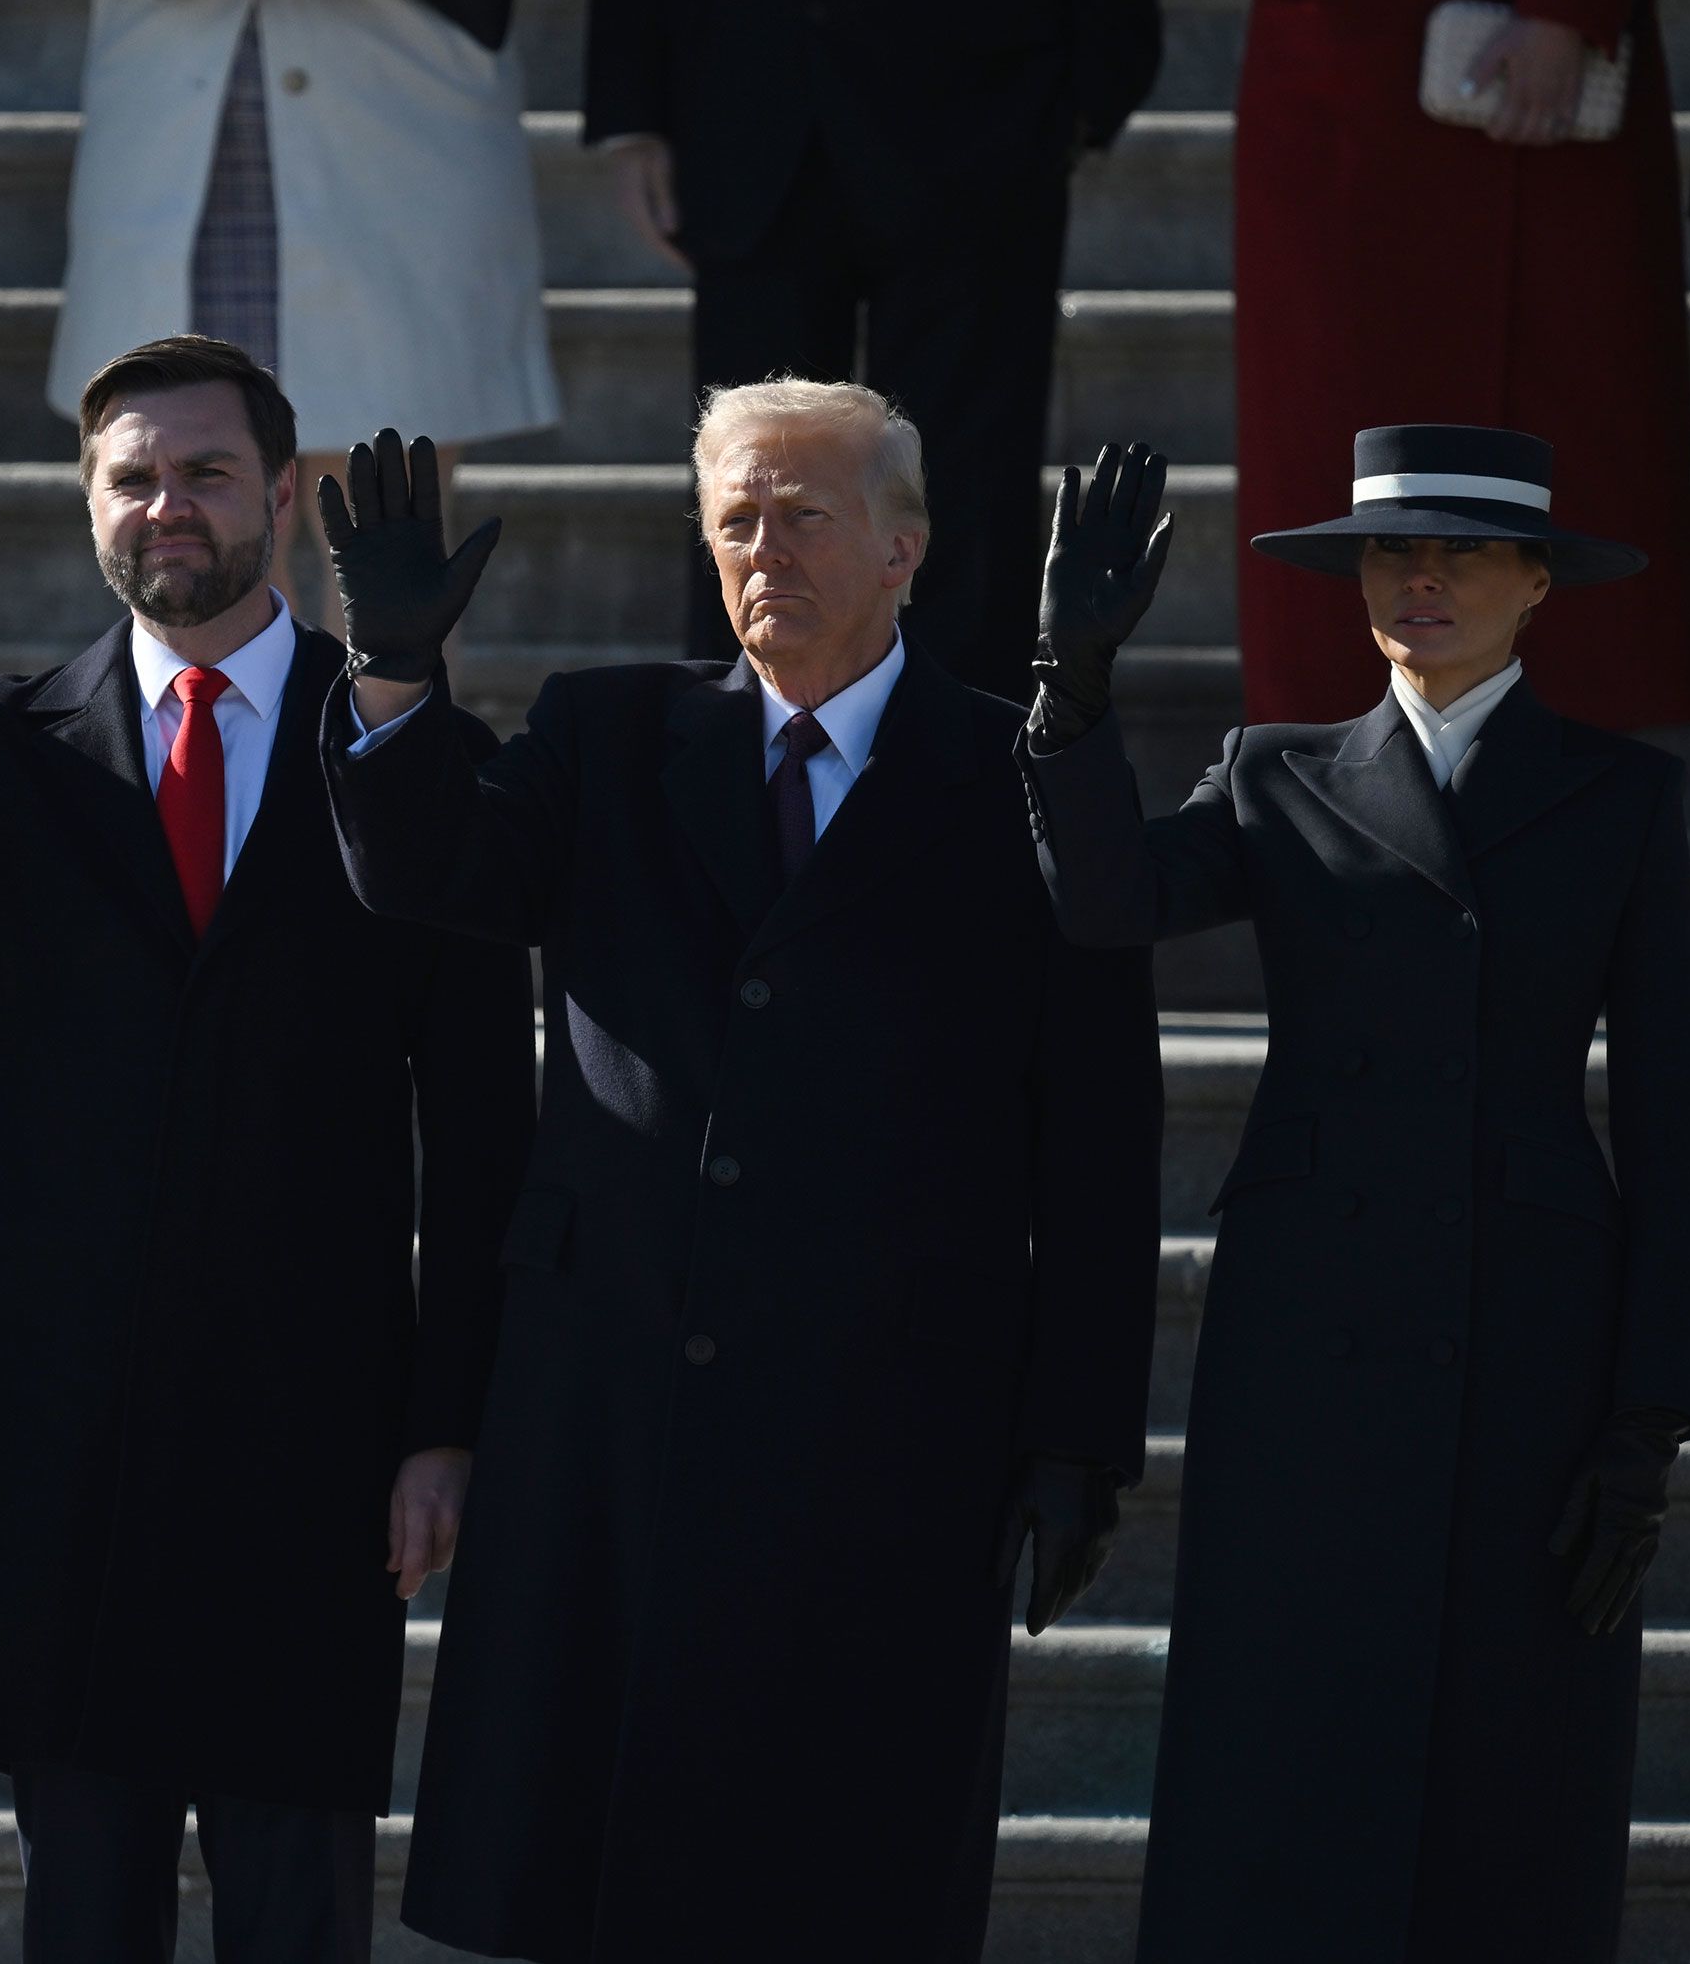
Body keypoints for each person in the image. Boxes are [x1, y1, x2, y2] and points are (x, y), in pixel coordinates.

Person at [0, 346, 535, 1964]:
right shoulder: (8, 748)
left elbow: (488, 1130)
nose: (169, 507)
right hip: (64, 1441)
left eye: (207, 473)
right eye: (133, 477)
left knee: (299, 1903)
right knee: (86, 1906)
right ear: (90, 506)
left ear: (283, 500)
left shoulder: (421, 763)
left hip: (314, 1439)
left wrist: (448, 1425)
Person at [322, 381, 1164, 1959]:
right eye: (734, 520)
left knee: (837, 1880)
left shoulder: (1023, 772)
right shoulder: (610, 730)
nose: (763, 548)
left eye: (805, 514)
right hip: (611, 1403)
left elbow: (1103, 1135)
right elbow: (429, 872)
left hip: (889, 1422)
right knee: (586, 1875)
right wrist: (395, 673)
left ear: (907, 543)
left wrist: (1076, 1439)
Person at [1021, 429, 1690, 1961]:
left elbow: (1671, 1121)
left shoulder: (1618, 797)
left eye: (1464, 553)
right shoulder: (1280, 769)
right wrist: (1069, 691)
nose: (1421, 579)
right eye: (1395, 554)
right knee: (1280, 1742)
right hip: (1305, 1334)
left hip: (1531, 1339)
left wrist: (1647, 1417)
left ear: (1537, 584)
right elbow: (1106, 899)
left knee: (1506, 1769)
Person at [585, 0, 1163, 691]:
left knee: (967, 486)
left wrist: (1098, 80)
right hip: (744, 88)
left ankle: (960, 771)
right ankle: (745, 767)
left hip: (988, 102)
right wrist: (632, 112)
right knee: (751, 479)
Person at [1233, 0, 1690, 733]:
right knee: (1329, 449)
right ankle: (1334, 802)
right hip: (1342, 82)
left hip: (1536, 97)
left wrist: (1568, 13)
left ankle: (1564, 806)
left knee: (1576, 461)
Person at [45, 0, 560, 628]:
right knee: (202, 538)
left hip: (396, 118)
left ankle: (395, 729)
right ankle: (234, 731)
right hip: (183, 109)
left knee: (386, 553)